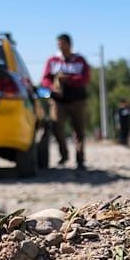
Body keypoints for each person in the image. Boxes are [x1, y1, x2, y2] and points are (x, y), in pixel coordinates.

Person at [41, 33, 91, 169]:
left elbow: (86, 78)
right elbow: (44, 79)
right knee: (56, 127)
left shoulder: (80, 60)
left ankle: (80, 159)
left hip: (77, 100)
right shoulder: (53, 60)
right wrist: (52, 87)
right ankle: (64, 154)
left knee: (79, 130)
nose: (60, 46)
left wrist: (69, 79)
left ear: (69, 44)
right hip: (58, 100)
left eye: (62, 43)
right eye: (58, 44)